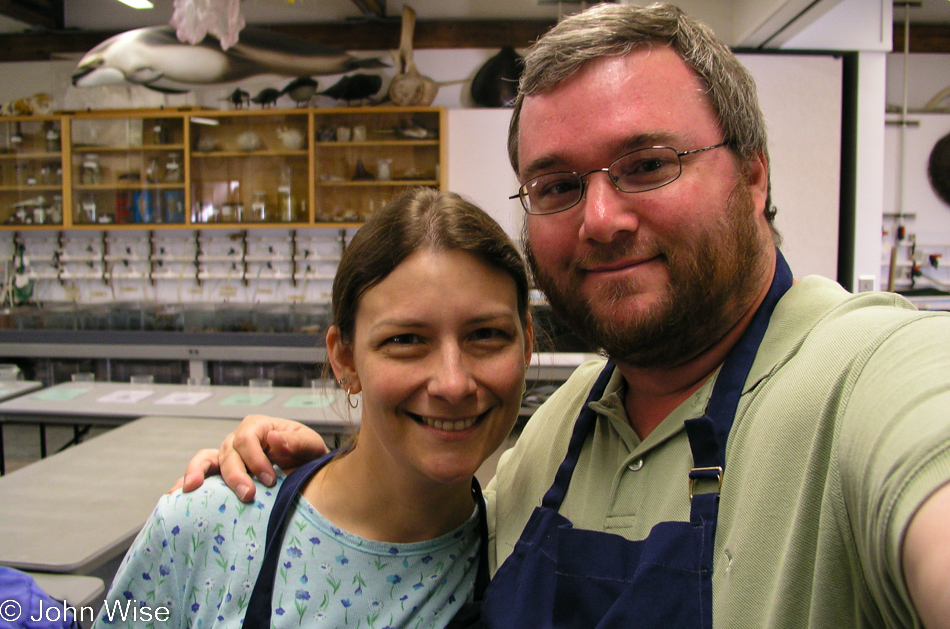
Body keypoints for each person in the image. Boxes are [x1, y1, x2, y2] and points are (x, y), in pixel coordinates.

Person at [183, 4, 950, 628]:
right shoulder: (558, 430)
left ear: (752, 176)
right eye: (556, 185)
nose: (601, 218)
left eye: (647, 165)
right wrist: (314, 483)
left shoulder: (869, 374)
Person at [96, 188, 533, 629]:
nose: (453, 383)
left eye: (486, 335)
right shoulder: (203, 525)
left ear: (528, 343)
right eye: (405, 340)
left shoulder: (524, 554)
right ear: (344, 359)